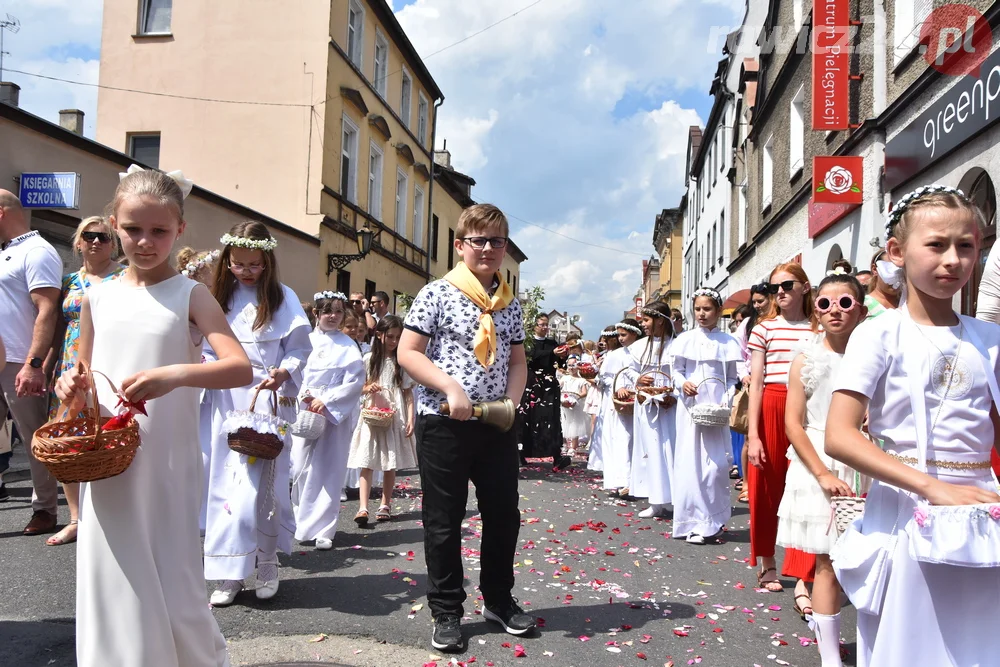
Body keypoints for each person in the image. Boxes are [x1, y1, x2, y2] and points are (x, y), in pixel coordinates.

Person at [54, 166, 250, 667]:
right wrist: (71, 388)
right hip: (110, 455)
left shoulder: (191, 294)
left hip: (167, 455)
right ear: (113, 224)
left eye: (159, 231)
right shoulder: (97, 295)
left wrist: (177, 374)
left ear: (179, 230)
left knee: (171, 564)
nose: (145, 241)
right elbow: (87, 374)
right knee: (113, 562)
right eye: (133, 229)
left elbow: (239, 368)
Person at [827, 185, 1000, 667]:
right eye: (937, 244)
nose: (953, 260)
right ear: (898, 252)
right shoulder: (878, 333)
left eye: (966, 246)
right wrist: (933, 487)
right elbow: (840, 435)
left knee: (980, 641)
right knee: (912, 643)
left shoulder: (990, 338)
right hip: (908, 503)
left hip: (982, 510)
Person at [398, 203, 534, 653]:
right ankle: (447, 611)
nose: (489, 249)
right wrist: (449, 386)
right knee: (444, 519)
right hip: (444, 422)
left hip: (495, 423)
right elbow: (409, 352)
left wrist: (511, 404)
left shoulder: (510, 302)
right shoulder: (436, 293)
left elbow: (517, 361)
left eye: (498, 241)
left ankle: (498, 599)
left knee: (503, 515)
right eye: (479, 240)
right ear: (460, 246)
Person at [202, 221, 312, 606]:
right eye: (238, 264)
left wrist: (284, 372)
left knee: (263, 489)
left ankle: (266, 561)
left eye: (254, 265)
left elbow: (300, 349)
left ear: (267, 262)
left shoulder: (283, 298)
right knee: (224, 488)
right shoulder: (214, 297)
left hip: (264, 403)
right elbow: (201, 346)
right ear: (226, 261)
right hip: (224, 399)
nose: (246, 271)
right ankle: (229, 572)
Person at [776, 272, 868, 663]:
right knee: (827, 561)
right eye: (825, 304)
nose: (835, 311)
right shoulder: (807, 357)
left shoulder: (876, 352)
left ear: (861, 310)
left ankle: (876, 643)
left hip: (868, 457)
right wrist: (823, 474)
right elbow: (793, 423)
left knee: (873, 560)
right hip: (819, 459)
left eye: (845, 303)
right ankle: (830, 653)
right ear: (815, 308)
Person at [45, 216, 126, 547]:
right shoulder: (68, 282)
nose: (96, 242)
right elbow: (56, 327)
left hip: (108, 364)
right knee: (69, 439)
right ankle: (76, 518)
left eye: (104, 237)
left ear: (113, 244)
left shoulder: (123, 278)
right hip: (70, 366)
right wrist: (47, 366)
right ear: (78, 242)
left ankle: (113, 514)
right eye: (89, 236)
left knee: (109, 435)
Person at [746, 263, 818, 602]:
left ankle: (804, 571)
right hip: (772, 405)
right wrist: (753, 435)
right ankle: (768, 561)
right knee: (766, 486)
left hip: (810, 406)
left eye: (788, 285)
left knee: (806, 487)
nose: (781, 292)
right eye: (775, 287)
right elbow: (756, 383)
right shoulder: (764, 329)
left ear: (805, 286)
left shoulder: (818, 328)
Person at [0, 189, 62, 536]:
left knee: (34, 438)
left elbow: (47, 309)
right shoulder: (6, 252)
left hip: (20, 362)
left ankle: (45, 509)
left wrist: (34, 364)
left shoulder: (37, 251)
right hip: (1, 358)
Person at [290, 291, 365, 550]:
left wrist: (329, 400)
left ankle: (325, 528)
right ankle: (302, 522)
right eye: (327, 311)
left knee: (330, 467)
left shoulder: (347, 345)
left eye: (338, 311)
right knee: (300, 467)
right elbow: (294, 375)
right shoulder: (305, 341)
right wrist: (304, 396)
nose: (332, 316)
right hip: (305, 410)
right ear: (316, 314)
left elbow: (355, 381)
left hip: (333, 416)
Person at [670, 288, 742, 544]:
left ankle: (714, 519)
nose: (702, 314)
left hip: (716, 409)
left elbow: (733, 376)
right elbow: (676, 370)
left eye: (707, 309)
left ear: (719, 312)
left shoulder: (729, 341)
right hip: (691, 407)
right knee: (691, 464)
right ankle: (694, 522)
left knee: (716, 467)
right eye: (698, 309)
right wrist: (683, 384)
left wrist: (728, 395)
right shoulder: (686, 339)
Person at [348, 314, 416, 525]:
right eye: (391, 337)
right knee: (366, 461)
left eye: (398, 337)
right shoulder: (369, 360)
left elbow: (407, 392)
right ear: (379, 336)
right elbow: (357, 387)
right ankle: (363, 507)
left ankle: (385, 503)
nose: (395, 342)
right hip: (373, 412)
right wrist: (369, 388)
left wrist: (411, 417)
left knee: (389, 461)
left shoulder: (401, 361)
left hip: (395, 414)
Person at [626, 301, 677, 519]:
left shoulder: (677, 345)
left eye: (646, 320)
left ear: (659, 320)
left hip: (669, 406)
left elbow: (680, 372)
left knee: (672, 450)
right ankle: (655, 500)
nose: (643, 324)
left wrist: (673, 394)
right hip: (647, 404)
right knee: (651, 451)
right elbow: (629, 370)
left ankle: (675, 499)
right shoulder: (639, 347)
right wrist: (638, 379)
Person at [519, 313, 570, 470]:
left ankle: (556, 454)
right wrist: (552, 353)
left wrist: (562, 356)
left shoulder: (552, 343)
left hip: (548, 384)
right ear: (534, 326)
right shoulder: (528, 342)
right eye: (542, 325)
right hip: (532, 382)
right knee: (527, 417)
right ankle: (522, 452)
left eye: (547, 324)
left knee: (551, 417)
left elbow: (558, 364)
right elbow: (530, 356)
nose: (545, 328)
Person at [601, 320, 641, 497]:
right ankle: (622, 480)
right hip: (620, 403)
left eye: (624, 335)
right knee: (623, 439)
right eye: (619, 335)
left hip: (639, 400)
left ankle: (637, 480)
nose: (620, 338)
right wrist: (618, 387)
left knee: (638, 441)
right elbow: (605, 377)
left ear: (635, 334)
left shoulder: (642, 352)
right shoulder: (614, 355)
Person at [559, 356, 589, 460]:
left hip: (576, 404)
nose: (571, 368)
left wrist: (576, 397)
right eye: (569, 365)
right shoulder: (565, 378)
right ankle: (566, 444)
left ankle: (573, 446)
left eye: (574, 365)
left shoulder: (582, 380)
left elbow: (584, 392)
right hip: (565, 403)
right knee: (565, 422)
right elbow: (559, 387)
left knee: (575, 424)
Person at [864, 246, 900, 320]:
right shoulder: (862, 305)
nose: (897, 276)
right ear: (875, 270)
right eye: (890, 270)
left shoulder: (908, 304)